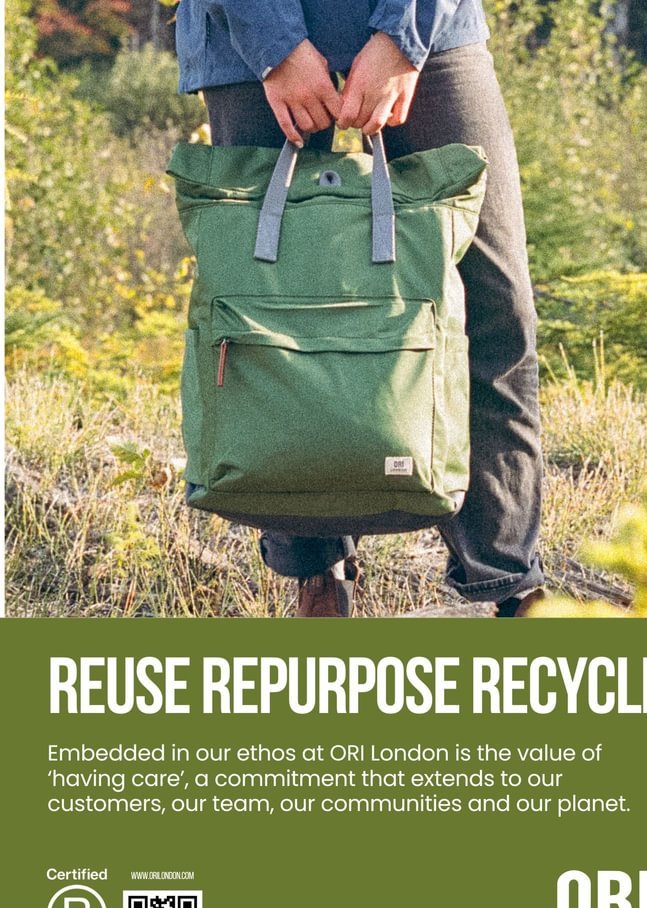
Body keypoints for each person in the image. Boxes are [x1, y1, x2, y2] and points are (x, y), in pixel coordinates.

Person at [175, 1, 545, 617]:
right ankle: (317, 571)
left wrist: (404, 36)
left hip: (431, 27)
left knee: (493, 306)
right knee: (274, 308)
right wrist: (275, 47)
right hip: (249, 37)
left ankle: (506, 578)